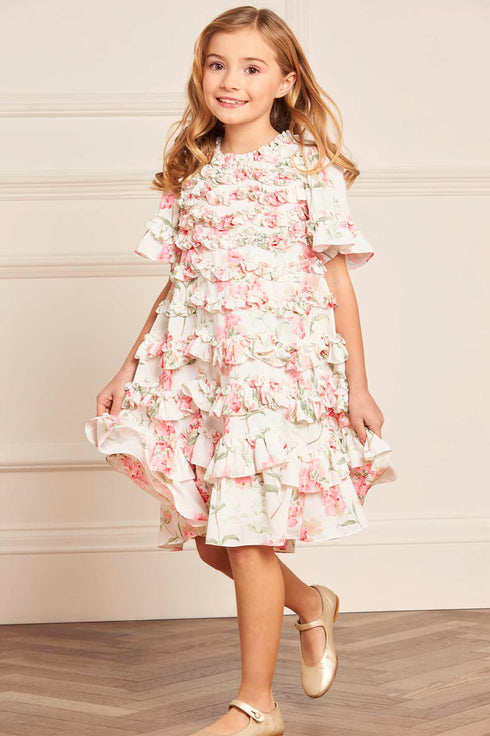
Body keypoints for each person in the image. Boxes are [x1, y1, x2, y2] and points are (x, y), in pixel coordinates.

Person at [85, 5, 397, 735]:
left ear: (286, 82)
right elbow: (179, 284)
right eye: (218, 65)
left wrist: (358, 384)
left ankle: (257, 705)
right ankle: (312, 604)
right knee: (211, 539)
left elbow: (338, 282)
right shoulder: (193, 173)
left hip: (272, 375)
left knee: (249, 533)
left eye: (252, 67)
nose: (231, 81)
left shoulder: (307, 169)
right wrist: (128, 366)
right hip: (206, 373)